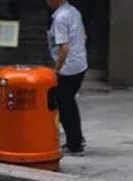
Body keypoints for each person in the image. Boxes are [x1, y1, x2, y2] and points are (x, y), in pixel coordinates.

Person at [46, 0, 89, 156]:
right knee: (68, 102)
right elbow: (84, 36)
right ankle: (76, 139)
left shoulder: (60, 18)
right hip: (80, 64)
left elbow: (64, 48)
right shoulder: (73, 11)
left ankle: (74, 145)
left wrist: (56, 70)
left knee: (65, 105)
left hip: (68, 68)